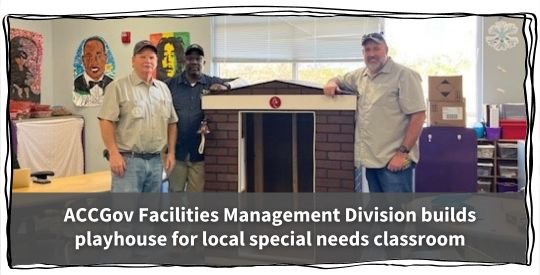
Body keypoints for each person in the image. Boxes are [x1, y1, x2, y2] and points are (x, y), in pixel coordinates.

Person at [323, 32, 426, 193]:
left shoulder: (404, 75)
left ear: (386, 50)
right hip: (371, 160)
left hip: (394, 161)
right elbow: (338, 79)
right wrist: (331, 82)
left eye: (376, 49)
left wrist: (402, 154)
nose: (371, 54)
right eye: (367, 50)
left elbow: (419, 116)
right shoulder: (360, 76)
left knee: (398, 213)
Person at [98, 40, 178, 193]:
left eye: (152, 57)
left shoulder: (163, 89)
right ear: (133, 60)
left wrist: (171, 153)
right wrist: (113, 153)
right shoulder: (118, 87)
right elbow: (105, 121)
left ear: (156, 62)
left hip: (156, 162)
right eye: (142, 57)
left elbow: (172, 123)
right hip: (129, 163)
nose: (147, 61)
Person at [165, 43, 230, 192]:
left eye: (198, 59)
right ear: (184, 62)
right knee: (175, 194)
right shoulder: (171, 85)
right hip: (176, 153)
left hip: (199, 155)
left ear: (204, 63)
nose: (194, 62)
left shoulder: (211, 82)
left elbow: (241, 82)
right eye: (190, 58)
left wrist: (226, 86)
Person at [73, 36, 114, 106]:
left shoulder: (112, 84)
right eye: (88, 56)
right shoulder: (76, 84)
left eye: (98, 55)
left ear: (105, 58)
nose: (93, 62)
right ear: (83, 60)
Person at [10, 37, 39, 102]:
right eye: (19, 59)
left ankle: (27, 95)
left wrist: (29, 79)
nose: (21, 61)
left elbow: (28, 75)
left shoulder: (25, 69)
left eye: (23, 59)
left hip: (23, 83)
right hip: (16, 84)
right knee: (18, 89)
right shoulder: (14, 69)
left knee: (26, 88)